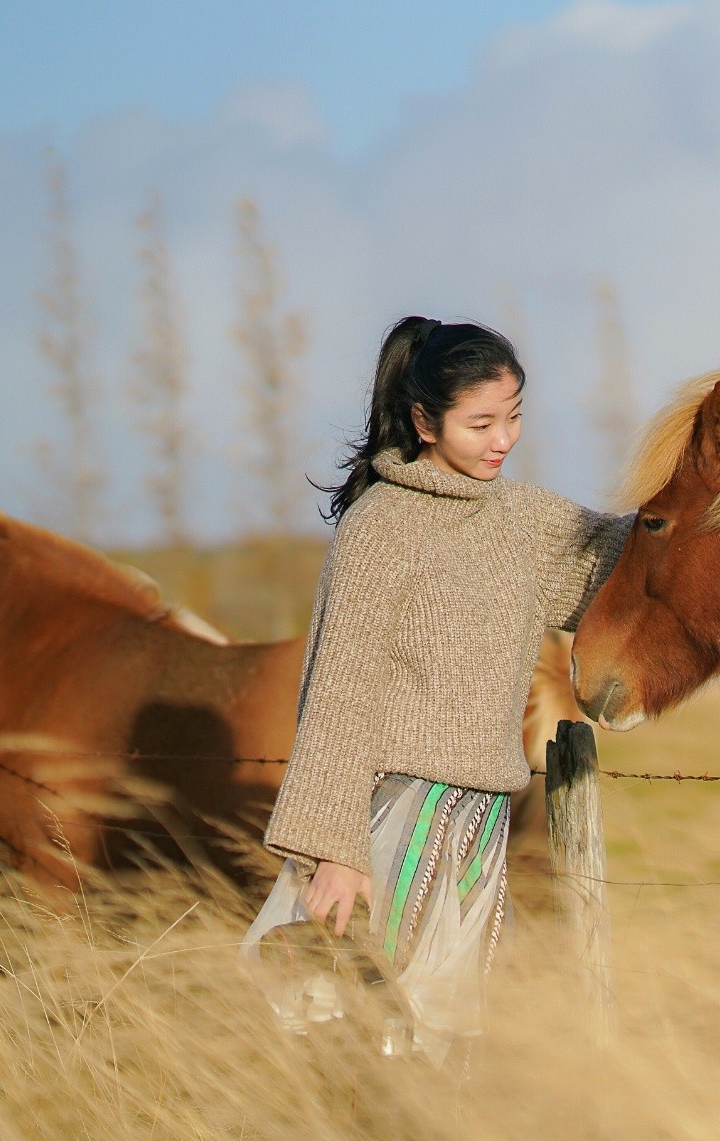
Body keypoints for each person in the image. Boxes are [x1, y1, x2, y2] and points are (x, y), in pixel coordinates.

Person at [241, 317, 630, 1064]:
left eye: (513, 417)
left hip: (479, 825)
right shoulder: (380, 528)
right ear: (424, 420)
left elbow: (627, 569)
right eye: (480, 422)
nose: (503, 439)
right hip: (391, 820)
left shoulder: (525, 519)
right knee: (359, 1031)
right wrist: (334, 848)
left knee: (450, 1043)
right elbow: (339, 695)